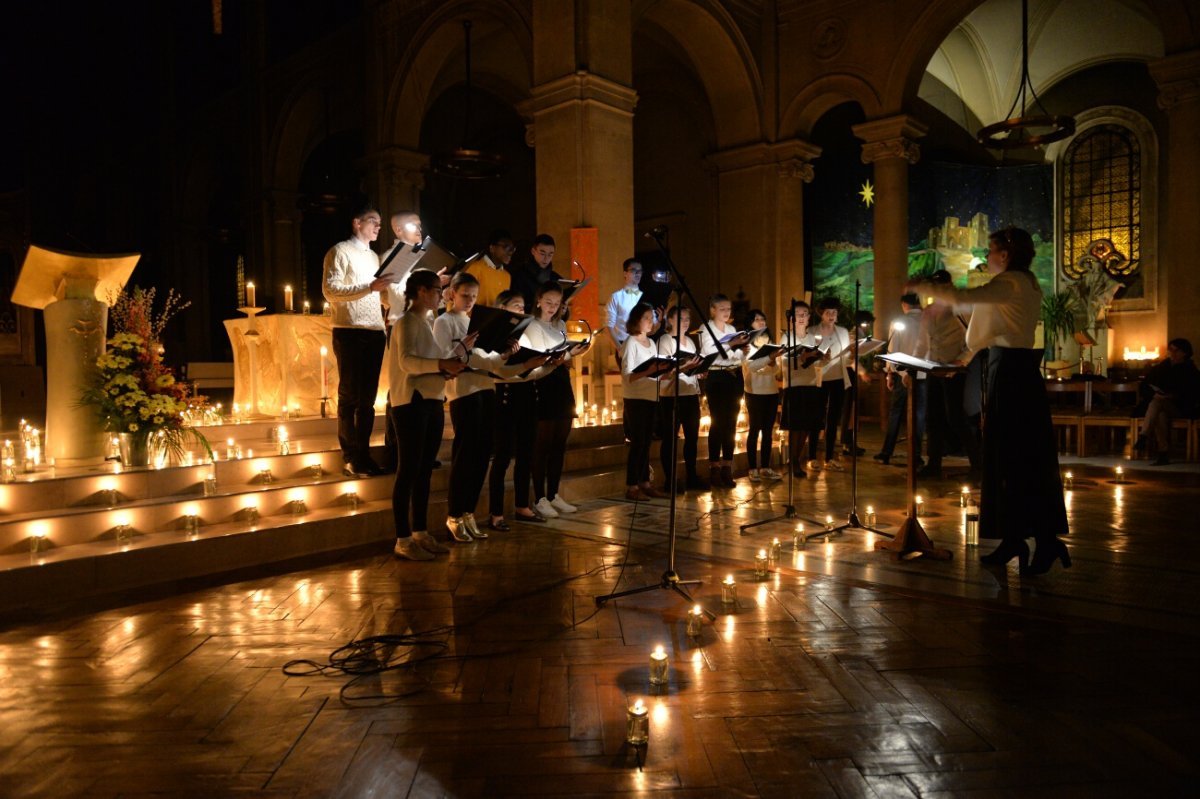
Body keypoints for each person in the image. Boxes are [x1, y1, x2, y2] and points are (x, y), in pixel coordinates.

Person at [922, 226, 1070, 575]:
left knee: (1016, 454)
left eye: (990, 251)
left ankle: (1040, 541)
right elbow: (984, 325)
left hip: (1012, 374)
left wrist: (920, 288)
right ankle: (1017, 538)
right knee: (1013, 456)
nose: (986, 258)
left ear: (1005, 254)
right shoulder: (1023, 283)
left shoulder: (1012, 282)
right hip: (1014, 370)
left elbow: (964, 300)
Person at [386, 269, 469, 561]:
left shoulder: (425, 322)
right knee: (408, 470)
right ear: (420, 291)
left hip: (431, 399)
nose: (441, 295)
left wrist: (446, 368)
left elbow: (428, 363)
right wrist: (441, 364)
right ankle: (403, 538)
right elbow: (407, 362)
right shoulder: (406, 322)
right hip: (411, 402)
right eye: (436, 290)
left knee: (423, 471)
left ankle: (420, 532)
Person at [433, 272, 514, 542]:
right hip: (462, 392)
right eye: (465, 295)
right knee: (465, 454)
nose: (469, 300)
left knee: (482, 455)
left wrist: (504, 353)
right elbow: (444, 358)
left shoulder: (477, 322)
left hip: (485, 388)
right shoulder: (444, 322)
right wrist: (467, 351)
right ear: (452, 293)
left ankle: (468, 512)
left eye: (474, 297)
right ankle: (454, 514)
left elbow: (490, 361)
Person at [321, 204, 394, 478]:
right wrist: (369, 287)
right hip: (349, 329)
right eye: (373, 221)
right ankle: (351, 456)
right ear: (356, 223)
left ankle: (363, 454)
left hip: (375, 330)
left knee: (368, 399)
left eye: (379, 222)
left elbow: (379, 296)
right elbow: (330, 290)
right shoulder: (339, 251)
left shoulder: (375, 257)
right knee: (350, 396)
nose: (378, 226)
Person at [488, 290, 554, 530]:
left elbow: (531, 373)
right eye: (516, 306)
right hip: (505, 396)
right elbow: (496, 372)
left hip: (527, 396)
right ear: (502, 308)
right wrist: (527, 365)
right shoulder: (495, 336)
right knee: (503, 456)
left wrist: (550, 365)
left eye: (523, 306)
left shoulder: (525, 336)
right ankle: (495, 512)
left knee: (526, 454)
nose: (522, 310)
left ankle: (522, 505)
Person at [524, 281, 588, 518]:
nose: (552, 307)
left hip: (561, 382)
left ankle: (553, 494)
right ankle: (540, 497)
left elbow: (562, 356)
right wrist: (568, 354)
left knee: (559, 444)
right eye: (548, 302)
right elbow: (544, 357)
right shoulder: (532, 324)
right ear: (538, 300)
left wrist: (572, 352)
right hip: (543, 383)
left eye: (557, 303)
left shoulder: (560, 324)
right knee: (542, 445)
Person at [916, 270, 980, 481]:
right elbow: (923, 342)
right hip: (934, 367)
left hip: (955, 369)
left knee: (955, 416)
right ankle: (933, 464)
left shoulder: (960, 308)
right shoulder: (928, 311)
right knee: (933, 417)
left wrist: (961, 361)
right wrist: (912, 367)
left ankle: (978, 463)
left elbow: (974, 339)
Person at [621, 303, 676, 500]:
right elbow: (628, 375)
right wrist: (651, 371)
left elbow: (653, 374)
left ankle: (645, 482)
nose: (650, 321)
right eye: (646, 317)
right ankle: (632, 485)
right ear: (636, 320)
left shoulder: (651, 344)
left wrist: (666, 372)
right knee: (637, 443)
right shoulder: (631, 342)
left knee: (646, 443)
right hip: (635, 398)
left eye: (651, 318)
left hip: (652, 396)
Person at [697, 293, 750, 488]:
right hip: (716, 376)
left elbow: (734, 355)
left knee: (731, 422)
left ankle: (728, 467)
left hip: (734, 375)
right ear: (713, 310)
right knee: (718, 422)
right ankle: (714, 468)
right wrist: (731, 344)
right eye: (722, 309)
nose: (727, 313)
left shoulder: (731, 328)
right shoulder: (706, 328)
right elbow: (710, 353)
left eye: (729, 309)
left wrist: (741, 350)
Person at [657, 305, 707, 491]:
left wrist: (698, 372)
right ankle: (670, 480)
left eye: (687, 319)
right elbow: (663, 369)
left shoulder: (691, 342)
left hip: (690, 394)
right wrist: (684, 368)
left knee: (692, 437)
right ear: (670, 320)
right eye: (681, 319)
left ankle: (691, 476)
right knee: (670, 439)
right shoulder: (665, 340)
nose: (685, 322)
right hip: (671, 395)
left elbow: (691, 368)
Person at [874, 293, 927, 467]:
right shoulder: (928, 320)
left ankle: (887, 452)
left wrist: (890, 373)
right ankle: (916, 455)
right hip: (924, 374)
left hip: (903, 373)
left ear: (904, 305)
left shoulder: (899, 322)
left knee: (895, 412)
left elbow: (892, 349)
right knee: (919, 415)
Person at [1135, 338, 1200, 465]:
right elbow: (1145, 384)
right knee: (1159, 413)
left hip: (1181, 407)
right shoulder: (1162, 367)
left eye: (1177, 351)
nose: (1173, 353)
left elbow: (1193, 392)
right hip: (1161, 405)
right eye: (1171, 350)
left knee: (1157, 404)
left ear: (1185, 353)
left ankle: (1143, 436)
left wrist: (1172, 396)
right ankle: (1162, 454)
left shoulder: (1190, 370)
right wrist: (1155, 393)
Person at [778, 302, 824, 478]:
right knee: (796, 425)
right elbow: (783, 362)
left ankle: (796, 459)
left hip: (811, 383)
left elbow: (817, 362)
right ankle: (794, 460)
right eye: (798, 314)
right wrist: (801, 357)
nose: (802, 317)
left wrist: (821, 357)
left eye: (805, 313)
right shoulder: (786, 338)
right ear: (792, 318)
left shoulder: (812, 337)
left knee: (807, 425)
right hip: (794, 384)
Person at [811, 297, 851, 471]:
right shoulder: (812, 331)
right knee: (816, 417)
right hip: (818, 378)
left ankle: (829, 457)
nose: (832, 315)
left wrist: (854, 352)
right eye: (828, 312)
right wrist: (819, 357)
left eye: (834, 312)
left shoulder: (842, 331)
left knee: (833, 418)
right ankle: (812, 456)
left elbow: (847, 357)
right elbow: (807, 356)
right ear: (821, 314)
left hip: (837, 377)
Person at [742, 309, 783, 481]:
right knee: (754, 429)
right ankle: (753, 468)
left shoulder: (770, 342)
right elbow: (751, 367)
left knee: (768, 431)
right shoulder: (746, 345)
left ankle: (766, 467)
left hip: (771, 390)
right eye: (756, 319)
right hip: (754, 391)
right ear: (750, 324)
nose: (761, 322)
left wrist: (773, 360)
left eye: (763, 319)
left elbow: (776, 369)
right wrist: (769, 359)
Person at [462, 229, 514, 308]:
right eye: (506, 247)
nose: (510, 252)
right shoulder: (474, 268)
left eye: (512, 248)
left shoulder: (507, 276)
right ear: (492, 248)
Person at [511, 234, 564, 309]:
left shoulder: (556, 279)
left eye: (550, 255)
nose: (546, 258)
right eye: (542, 253)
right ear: (533, 251)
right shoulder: (519, 276)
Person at [605, 259, 645, 353]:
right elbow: (608, 327)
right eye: (633, 270)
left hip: (644, 344)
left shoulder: (645, 297)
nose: (637, 274)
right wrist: (620, 349)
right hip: (624, 344)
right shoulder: (616, 297)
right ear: (625, 273)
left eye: (639, 271)